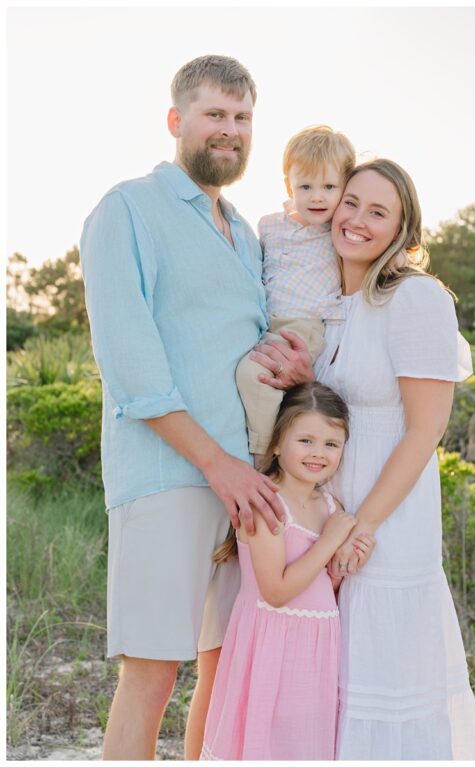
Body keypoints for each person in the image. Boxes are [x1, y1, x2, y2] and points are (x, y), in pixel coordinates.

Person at [79, 55, 311, 760]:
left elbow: (242, 346)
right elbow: (132, 367)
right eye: (215, 114)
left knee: (225, 664)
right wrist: (219, 465)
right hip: (171, 475)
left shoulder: (244, 231)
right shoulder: (127, 209)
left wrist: (290, 364)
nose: (230, 130)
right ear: (177, 121)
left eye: (242, 119)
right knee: (152, 672)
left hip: (245, 480)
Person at [315, 159, 475, 758]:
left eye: (378, 211)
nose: (357, 219)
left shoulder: (415, 299)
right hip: (326, 518)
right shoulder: (328, 300)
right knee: (330, 677)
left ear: (402, 232)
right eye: (351, 201)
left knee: (383, 674)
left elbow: (425, 430)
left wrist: (358, 528)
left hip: (385, 520)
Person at [201, 383, 374, 760]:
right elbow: (276, 592)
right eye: (306, 440)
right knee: (269, 743)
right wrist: (330, 541)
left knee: (304, 745)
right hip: (271, 646)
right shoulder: (267, 505)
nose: (318, 453)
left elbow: (323, 585)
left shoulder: (330, 505)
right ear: (278, 443)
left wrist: (346, 560)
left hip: (318, 646)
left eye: (331, 444)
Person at [235, 125, 355, 457]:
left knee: (253, 375)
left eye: (329, 187)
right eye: (306, 186)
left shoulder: (338, 231)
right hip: (267, 324)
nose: (317, 196)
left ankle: (262, 453)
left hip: (306, 328)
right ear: (289, 186)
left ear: (345, 189)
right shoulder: (270, 226)